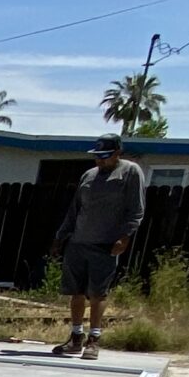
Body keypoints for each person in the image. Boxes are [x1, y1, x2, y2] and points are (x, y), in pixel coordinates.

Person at [50, 137, 145, 359]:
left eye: (104, 156)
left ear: (117, 153)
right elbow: (75, 209)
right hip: (78, 242)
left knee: (97, 293)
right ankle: (75, 338)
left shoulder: (130, 172)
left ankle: (94, 339)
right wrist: (60, 237)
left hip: (105, 244)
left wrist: (125, 237)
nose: (99, 160)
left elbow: (136, 209)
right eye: (97, 156)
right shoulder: (89, 175)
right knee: (76, 292)